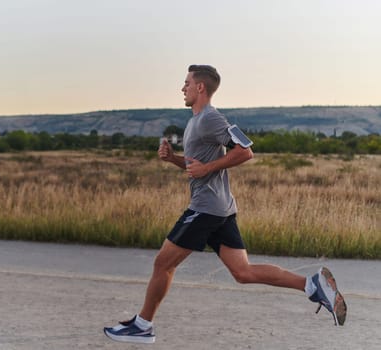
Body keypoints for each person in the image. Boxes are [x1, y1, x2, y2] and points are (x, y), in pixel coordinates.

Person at [103, 65, 347, 344]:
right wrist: (174, 159)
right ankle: (311, 285)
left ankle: (143, 326)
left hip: (206, 208)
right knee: (243, 272)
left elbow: (245, 152)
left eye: (186, 83)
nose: (182, 88)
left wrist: (207, 168)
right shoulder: (195, 120)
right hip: (221, 208)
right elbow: (197, 165)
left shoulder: (210, 118)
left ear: (200, 88)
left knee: (162, 264)